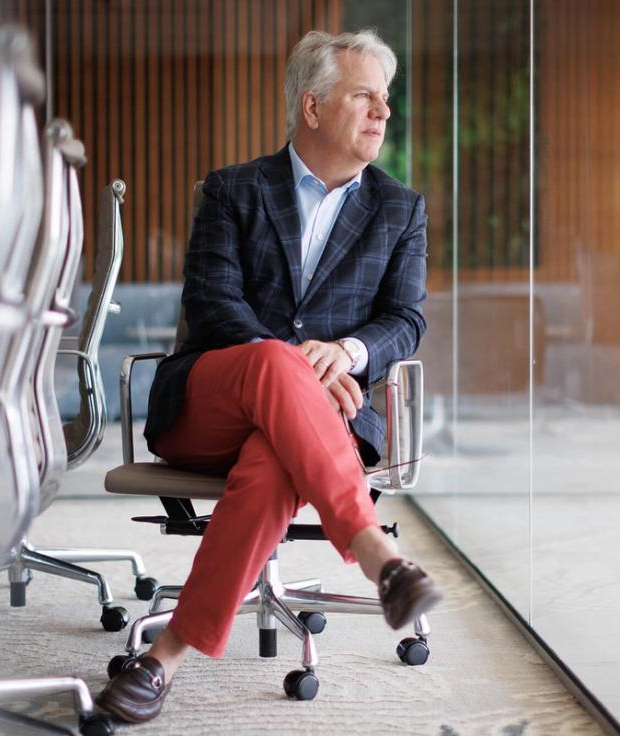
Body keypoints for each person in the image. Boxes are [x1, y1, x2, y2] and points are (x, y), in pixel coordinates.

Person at [96, 29, 442, 723]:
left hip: (316, 425)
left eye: (387, 100)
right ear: (311, 107)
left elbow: (405, 319)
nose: (384, 113)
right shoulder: (233, 191)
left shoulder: (400, 210)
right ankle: (372, 549)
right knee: (272, 364)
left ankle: (163, 658)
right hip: (211, 400)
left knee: (274, 462)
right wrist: (298, 364)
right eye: (365, 97)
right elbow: (212, 304)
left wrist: (344, 353)